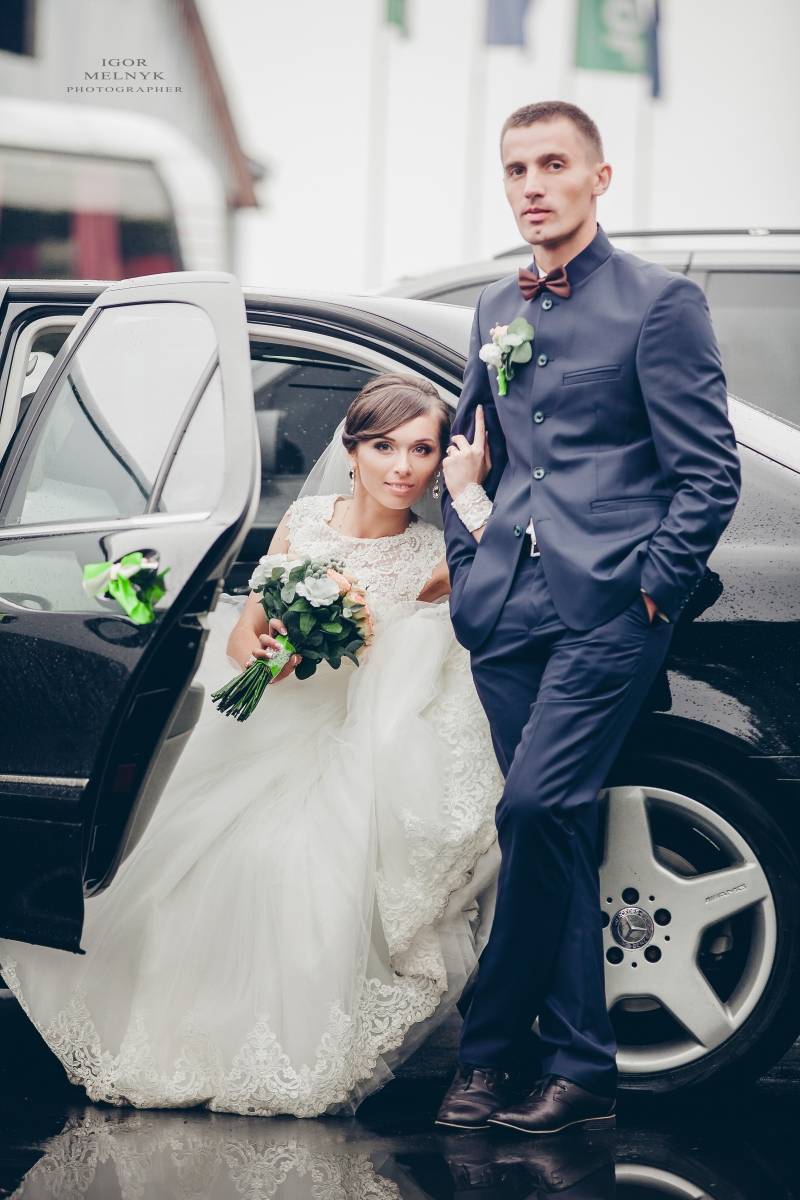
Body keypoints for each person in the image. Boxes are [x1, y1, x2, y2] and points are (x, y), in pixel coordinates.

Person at [0, 373, 504, 1117]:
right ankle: (178, 1036)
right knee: (175, 863)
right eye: (384, 446)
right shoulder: (305, 519)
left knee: (297, 865)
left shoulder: (433, 553)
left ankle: (287, 1050)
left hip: (360, 740)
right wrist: (267, 656)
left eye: (423, 450)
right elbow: (246, 632)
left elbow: (507, 567)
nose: (402, 467)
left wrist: (470, 492)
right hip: (266, 718)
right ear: (351, 450)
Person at [436, 100, 741, 1135]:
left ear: (597, 179)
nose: (531, 185)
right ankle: (565, 1071)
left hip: (608, 607)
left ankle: (494, 1048)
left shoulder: (662, 303)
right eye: (515, 168)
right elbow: (469, 455)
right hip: (506, 611)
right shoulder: (494, 306)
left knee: (532, 811)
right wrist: (468, 565)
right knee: (552, 828)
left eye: (552, 164)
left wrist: (651, 587)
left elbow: (708, 472)